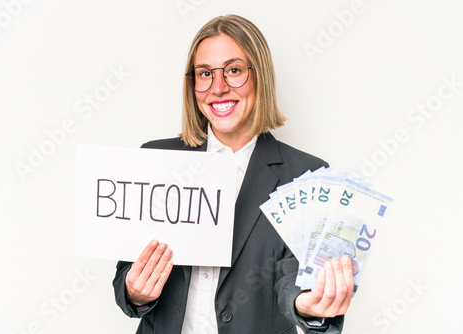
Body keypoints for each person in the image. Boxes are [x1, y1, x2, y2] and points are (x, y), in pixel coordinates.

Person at [113, 14, 354, 334]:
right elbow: (125, 278)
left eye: (234, 70)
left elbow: (295, 279)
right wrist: (136, 292)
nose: (218, 87)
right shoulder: (157, 160)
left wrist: (307, 304)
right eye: (205, 73)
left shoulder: (307, 176)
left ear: (260, 76)